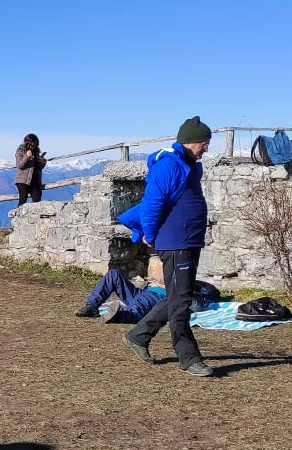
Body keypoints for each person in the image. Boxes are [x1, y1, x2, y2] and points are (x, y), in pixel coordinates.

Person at [117, 116, 215, 377]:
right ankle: (188, 357)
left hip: (189, 240)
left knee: (177, 296)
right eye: (204, 143)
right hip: (176, 242)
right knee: (181, 301)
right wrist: (149, 233)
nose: (206, 148)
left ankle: (138, 335)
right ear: (191, 141)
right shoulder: (169, 166)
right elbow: (152, 202)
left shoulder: (190, 165)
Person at [74, 268, 164, 323]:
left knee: (138, 308)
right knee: (113, 274)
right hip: (141, 291)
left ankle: (117, 316)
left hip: (158, 296)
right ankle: (91, 306)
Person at [14, 134, 47, 206]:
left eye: (34, 144)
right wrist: (27, 156)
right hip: (23, 181)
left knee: (37, 201)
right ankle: (19, 216)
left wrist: (43, 161)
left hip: (35, 181)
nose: (32, 146)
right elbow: (19, 165)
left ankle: (36, 216)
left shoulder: (37, 152)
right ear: (27, 143)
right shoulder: (20, 151)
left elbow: (38, 167)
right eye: (31, 144)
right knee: (23, 200)